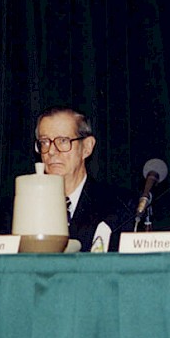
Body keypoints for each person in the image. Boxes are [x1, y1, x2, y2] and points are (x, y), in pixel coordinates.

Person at [34, 106, 134, 252]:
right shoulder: (21, 208)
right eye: (44, 142)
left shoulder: (119, 206)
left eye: (62, 141)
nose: (51, 151)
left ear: (87, 147)